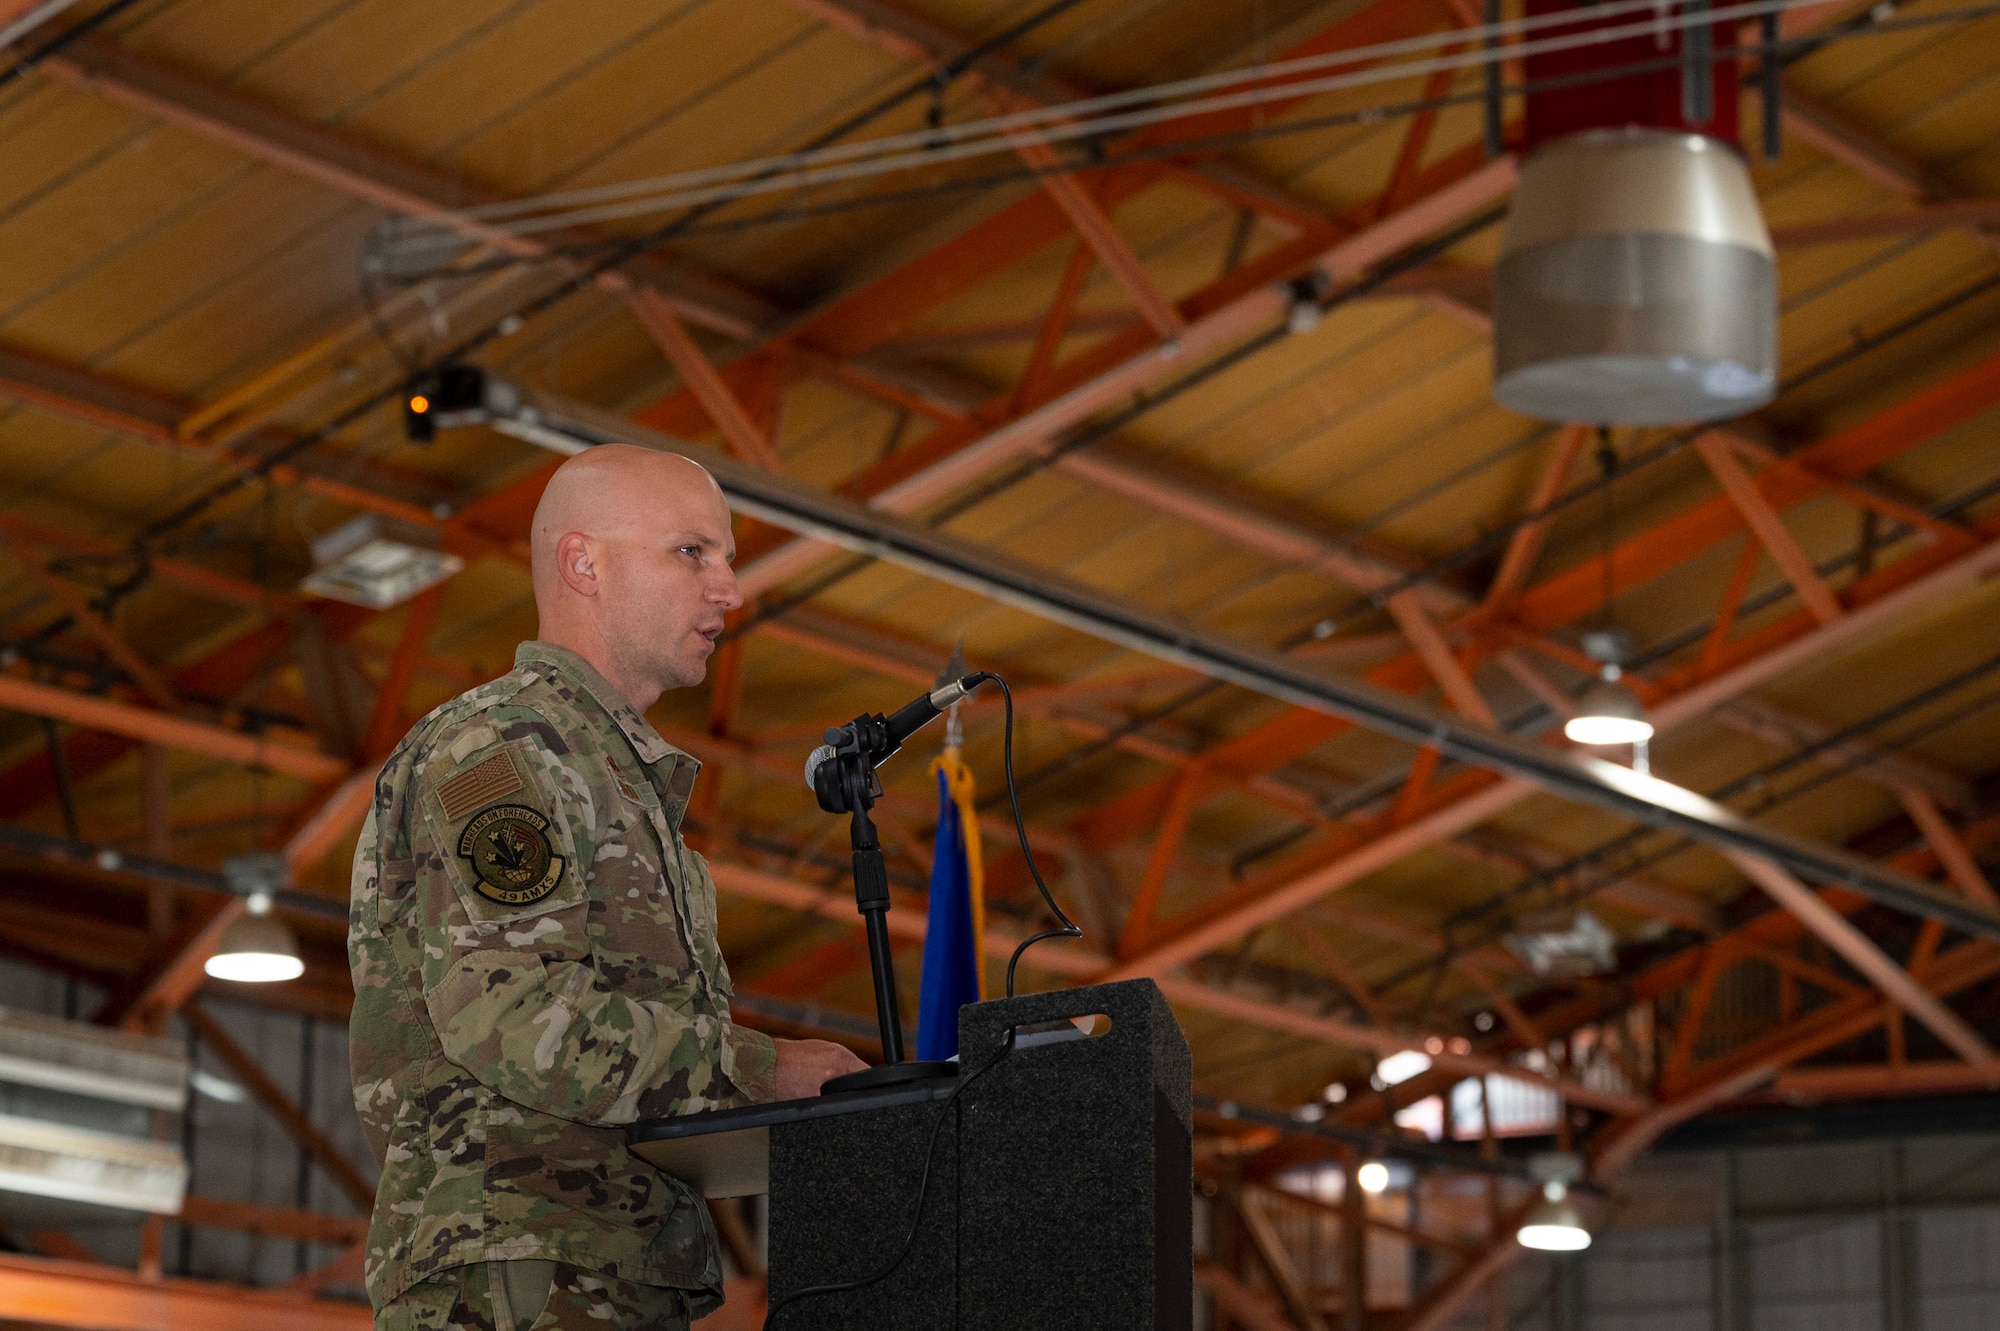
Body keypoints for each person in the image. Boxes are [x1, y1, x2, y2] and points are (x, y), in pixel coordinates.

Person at [348, 444, 866, 1330]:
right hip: (518, 1266)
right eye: (693, 552)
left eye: (729, 559)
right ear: (582, 562)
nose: (729, 590)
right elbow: (513, 1016)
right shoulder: (502, 747)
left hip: (595, 1264)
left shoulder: (613, 773)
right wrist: (760, 1068)